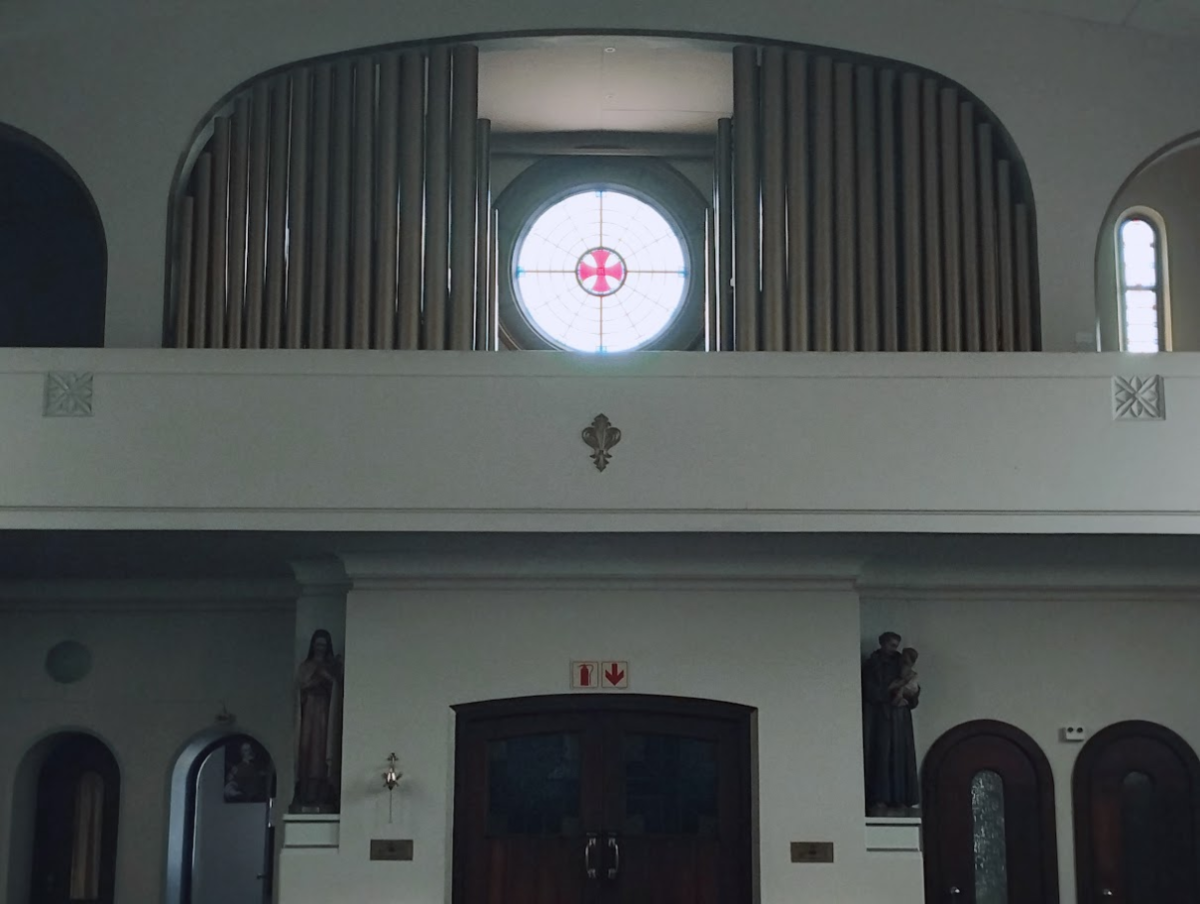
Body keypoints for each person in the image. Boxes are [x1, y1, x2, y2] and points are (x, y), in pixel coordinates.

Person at [862, 631, 920, 817]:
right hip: (881, 717)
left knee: (901, 755)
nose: (893, 648)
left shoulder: (902, 663)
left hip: (900, 717)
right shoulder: (873, 665)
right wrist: (888, 693)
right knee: (882, 755)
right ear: (882, 644)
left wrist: (909, 696)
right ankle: (880, 797)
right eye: (890, 644)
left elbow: (914, 690)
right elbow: (869, 690)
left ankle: (900, 798)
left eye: (896, 645)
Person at [292, 629, 343, 812]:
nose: (320, 648)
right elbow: (301, 686)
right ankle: (306, 792)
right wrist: (313, 681)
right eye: (317, 644)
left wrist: (327, 675)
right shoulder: (306, 666)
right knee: (307, 749)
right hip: (310, 711)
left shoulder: (331, 666)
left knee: (321, 751)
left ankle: (322, 791)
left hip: (324, 712)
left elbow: (335, 686)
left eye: (323, 644)